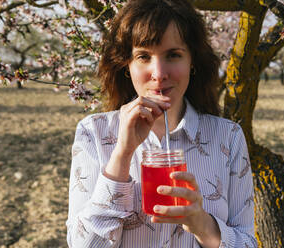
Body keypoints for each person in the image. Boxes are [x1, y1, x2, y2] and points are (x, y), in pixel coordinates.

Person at [66, 0, 257, 247]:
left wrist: (201, 223)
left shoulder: (227, 136)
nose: (158, 73)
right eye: (143, 56)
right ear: (127, 65)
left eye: (173, 55)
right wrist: (122, 154)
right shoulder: (93, 132)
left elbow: (247, 242)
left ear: (193, 61)